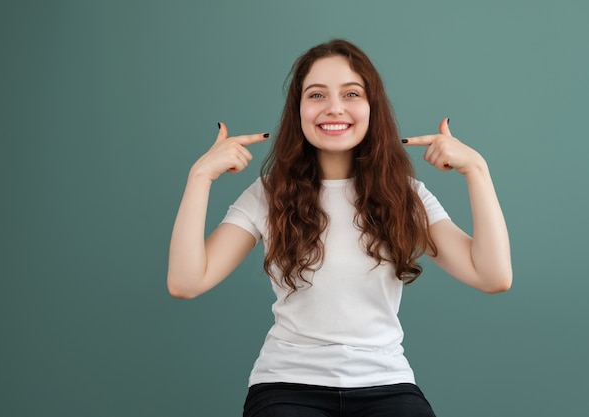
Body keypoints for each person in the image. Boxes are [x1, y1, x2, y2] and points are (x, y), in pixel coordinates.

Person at [167, 39, 512, 417]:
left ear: (371, 107)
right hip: (286, 386)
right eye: (316, 94)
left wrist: (477, 170)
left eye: (351, 93)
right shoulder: (268, 194)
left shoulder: (405, 195)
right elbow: (186, 282)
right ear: (298, 110)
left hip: (386, 385)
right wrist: (199, 177)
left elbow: (492, 276)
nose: (334, 108)